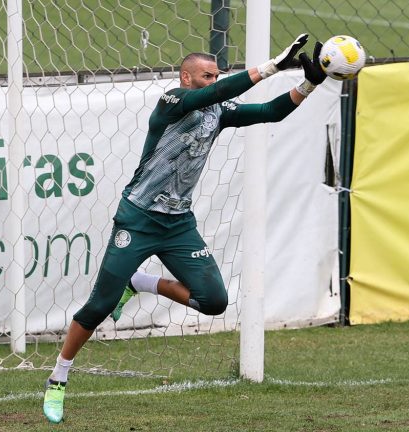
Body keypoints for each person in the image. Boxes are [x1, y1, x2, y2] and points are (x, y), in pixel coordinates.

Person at [43, 34, 328, 424]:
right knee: (99, 305)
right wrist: (271, 67)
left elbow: (270, 112)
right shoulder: (172, 102)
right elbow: (211, 95)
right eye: (206, 76)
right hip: (138, 218)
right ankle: (58, 377)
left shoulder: (218, 111)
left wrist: (309, 84)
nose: (213, 81)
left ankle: (142, 283)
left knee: (214, 301)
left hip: (178, 225)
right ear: (186, 77)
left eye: (216, 76)